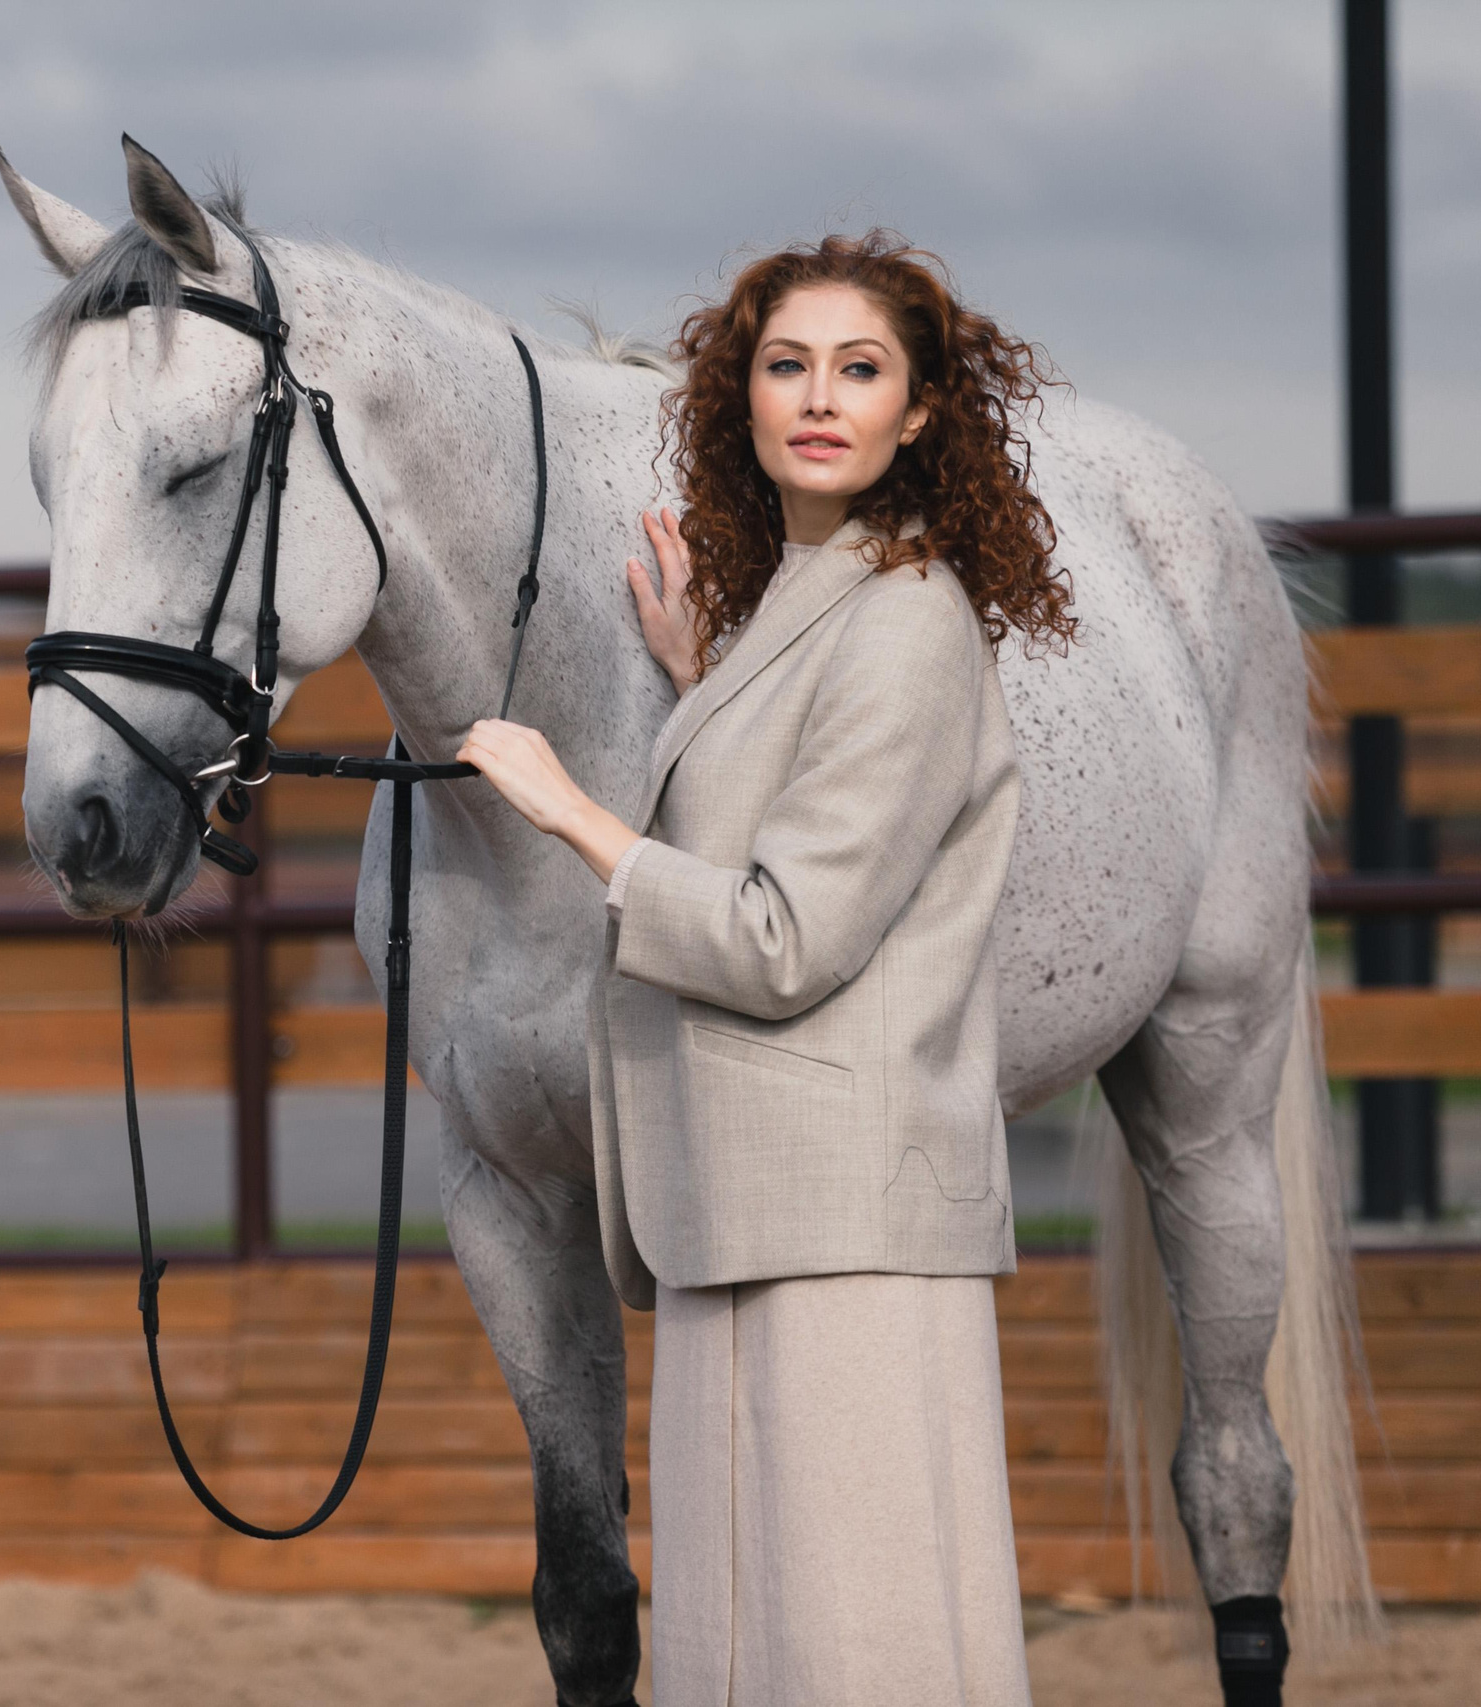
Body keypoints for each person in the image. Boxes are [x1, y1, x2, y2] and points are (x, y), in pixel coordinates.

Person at [457, 232, 1078, 1707]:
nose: (819, 397)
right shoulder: (818, 606)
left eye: (861, 370)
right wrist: (702, 685)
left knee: (853, 1654)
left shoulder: (910, 626)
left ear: (920, 413)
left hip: (844, 1230)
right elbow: (793, 782)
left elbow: (785, 937)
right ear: (742, 397)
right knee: (759, 1652)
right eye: (786, 365)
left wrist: (575, 814)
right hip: (748, 1208)